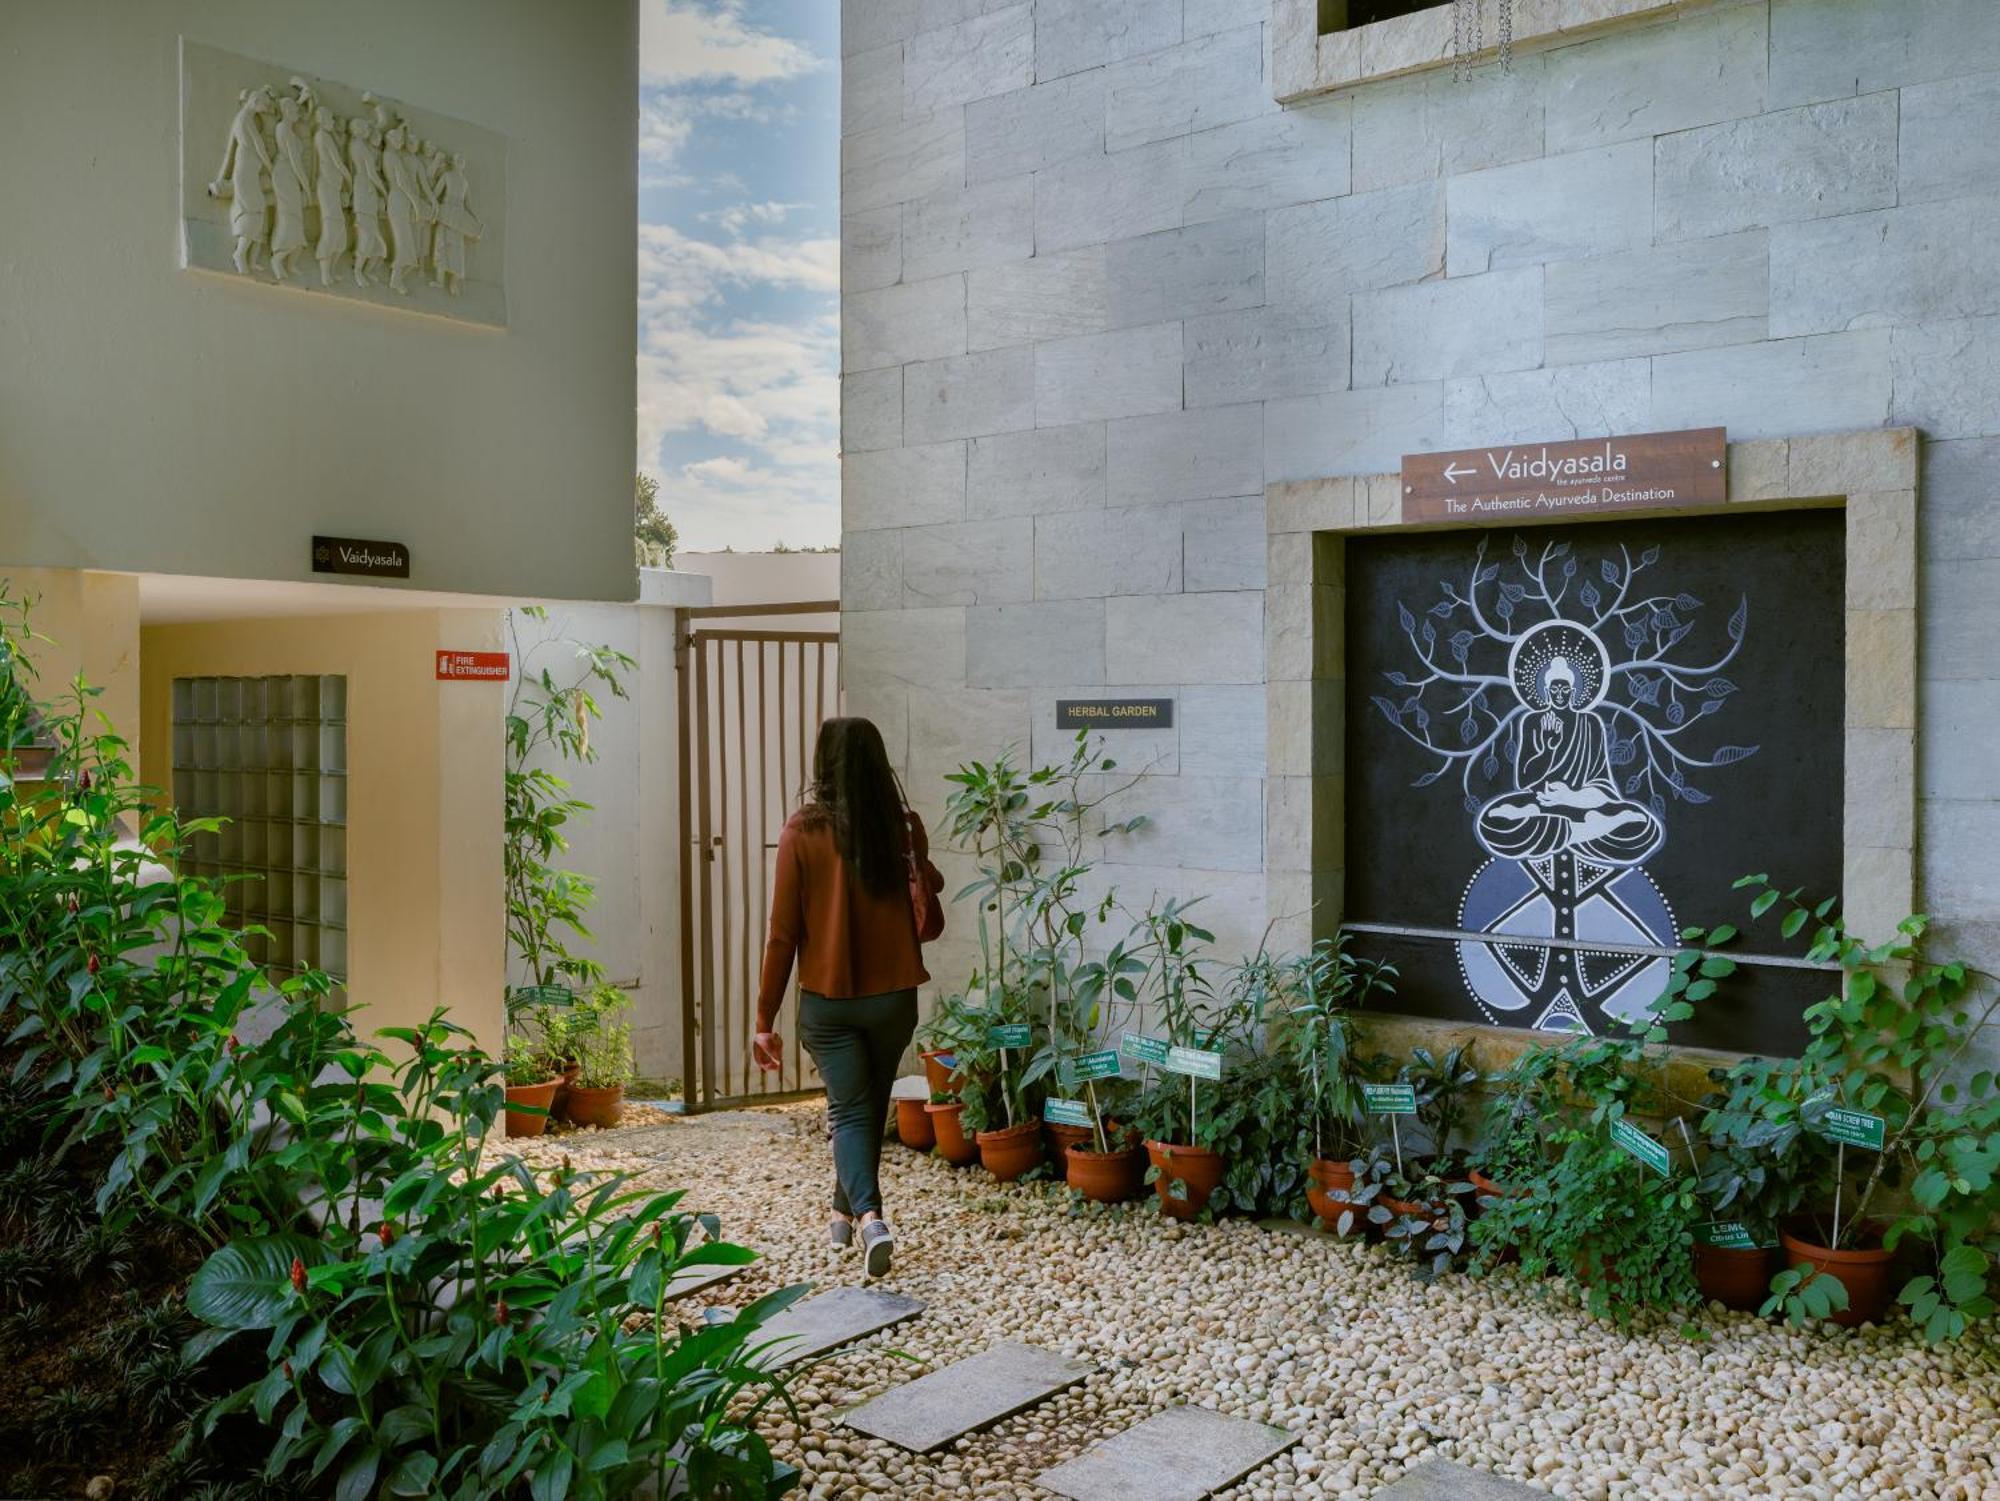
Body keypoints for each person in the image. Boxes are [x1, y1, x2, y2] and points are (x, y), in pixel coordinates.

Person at [753, 717, 942, 1280]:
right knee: (865, 1105)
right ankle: (840, 1210)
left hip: (829, 1006)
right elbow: (928, 888)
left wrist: (764, 1018)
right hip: (894, 999)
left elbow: (782, 933)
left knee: (850, 1110)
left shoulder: (801, 832)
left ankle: (870, 1219)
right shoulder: (902, 827)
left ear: (823, 764)